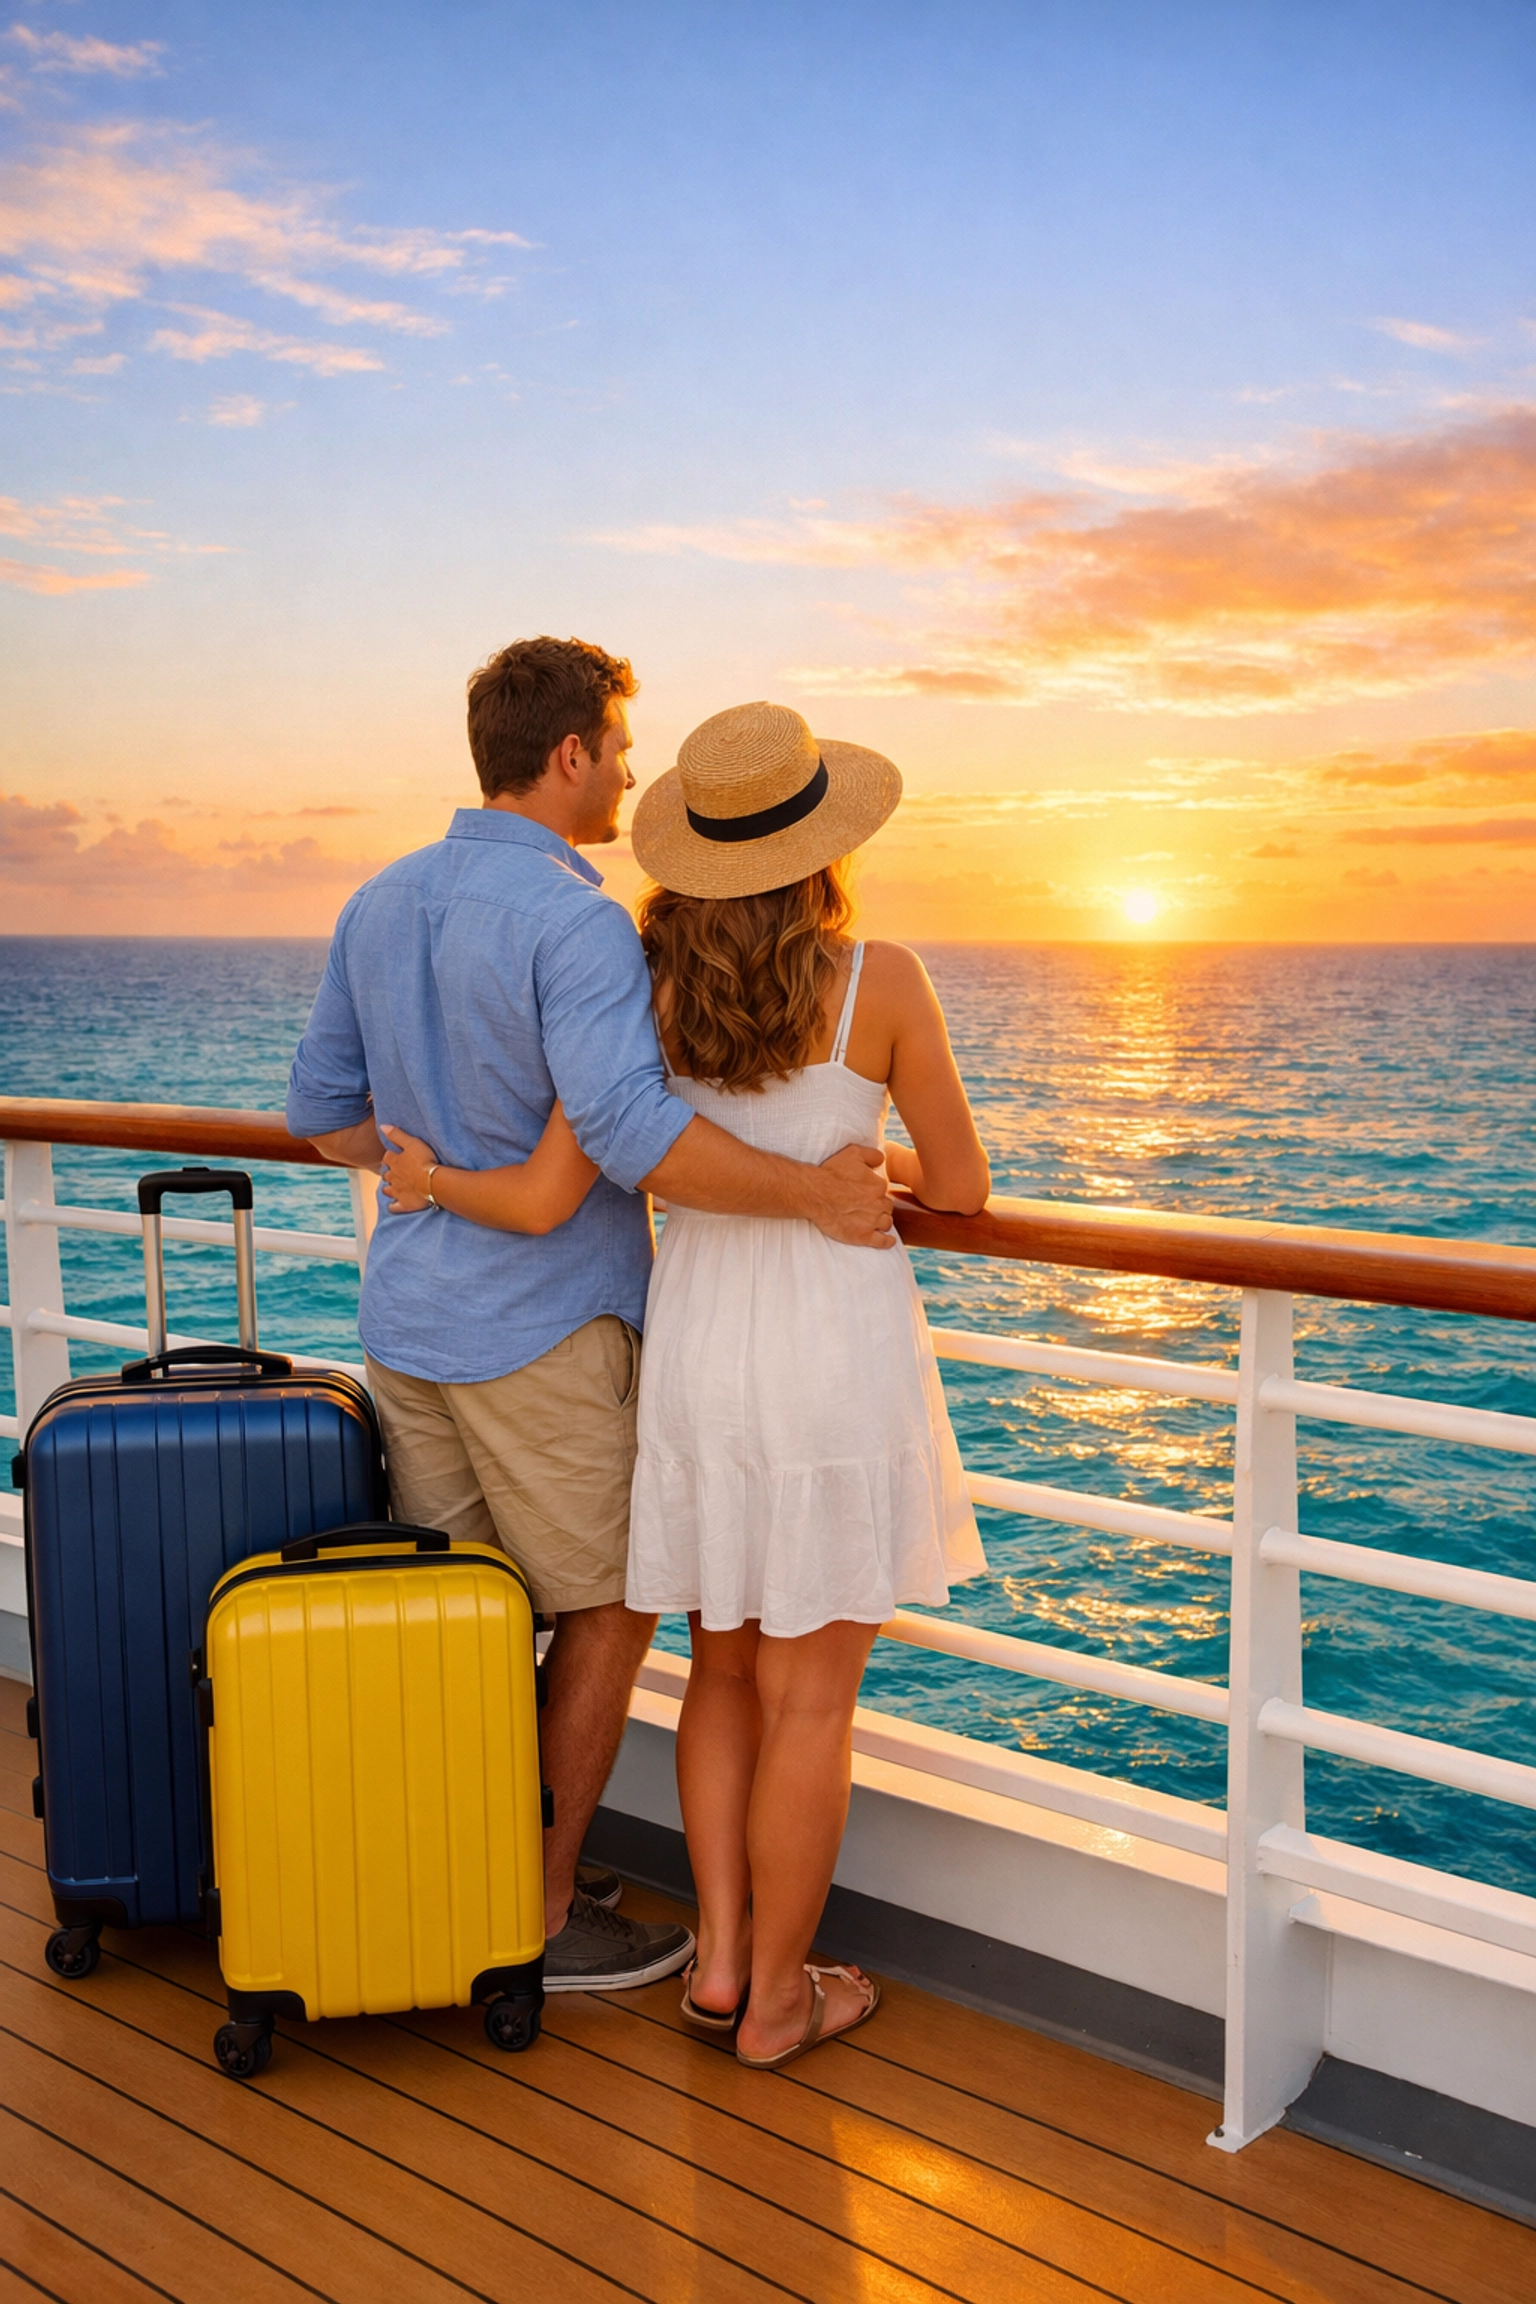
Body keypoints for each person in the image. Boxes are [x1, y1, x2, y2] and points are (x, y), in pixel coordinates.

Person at [381, 698, 989, 2070]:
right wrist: (863, 1165)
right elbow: (958, 1187)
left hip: (701, 1347)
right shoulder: (878, 980)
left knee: (719, 1671)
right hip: (830, 1354)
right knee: (812, 1700)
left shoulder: (640, 977)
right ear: (826, 840)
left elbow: (599, 1146)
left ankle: (717, 1964)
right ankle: (783, 1996)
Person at [286, 641, 896, 1996]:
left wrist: (426, 1171)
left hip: (410, 1323)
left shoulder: (380, 901)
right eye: (620, 748)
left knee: (463, 1620)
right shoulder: (574, 921)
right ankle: (543, 1913)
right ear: (568, 756)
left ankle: (466, 1874)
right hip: (545, 1331)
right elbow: (634, 1137)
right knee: (610, 1609)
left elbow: (319, 1114)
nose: (629, 772)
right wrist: (814, 1193)